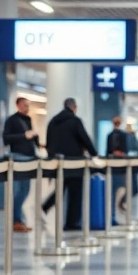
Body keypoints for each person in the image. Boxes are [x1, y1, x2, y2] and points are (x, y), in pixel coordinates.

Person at [42, 98, 98, 230]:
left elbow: (48, 142)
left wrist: (51, 158)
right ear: (74, 107)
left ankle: (45, 207)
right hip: (74, 162)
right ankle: (71, 223)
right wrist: (94, 154)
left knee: (60, 189)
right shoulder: (75, 121)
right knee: (75, 193)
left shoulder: (53, 121)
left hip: (58, 162)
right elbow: (85, 139)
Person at [2, 97, 39, 233]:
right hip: (18, 157)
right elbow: (6, 138)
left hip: (29, 157)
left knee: (26, 190)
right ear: (17, 105)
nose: (26, 108)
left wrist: (35, 138)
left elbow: (32, 139)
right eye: (24, 105)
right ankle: (15, 220)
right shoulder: (11, 120)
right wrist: (24, 136)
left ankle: (18, 219)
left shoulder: (28, 120)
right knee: (20, 190)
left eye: (28, 106)